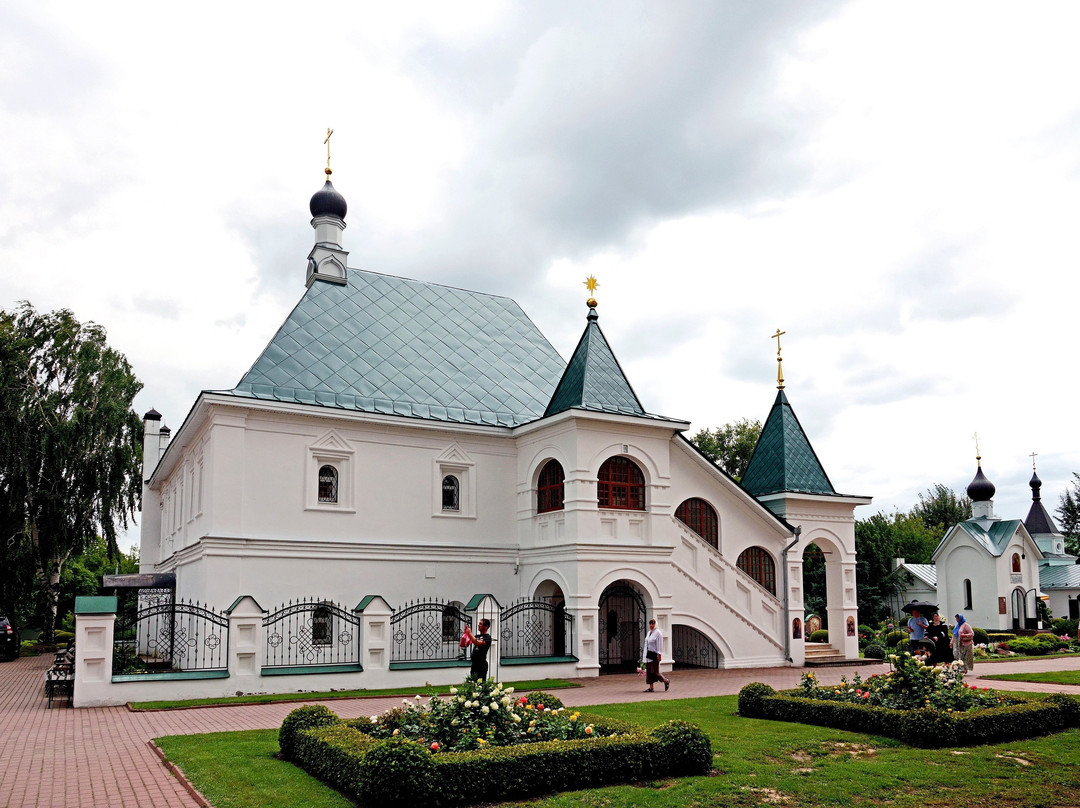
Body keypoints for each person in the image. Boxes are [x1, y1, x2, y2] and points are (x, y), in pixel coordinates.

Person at [641, 618, 670, 692]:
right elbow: (646, 644)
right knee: (649, 672)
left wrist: (659, 655)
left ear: (655, 624)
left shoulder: (658, 633)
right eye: (650, 623)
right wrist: (644, 657)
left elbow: (660, 644)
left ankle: (665, 680)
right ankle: (651, 687)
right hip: (648, 655)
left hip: (654, 655)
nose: (651, 625)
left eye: (653, 623)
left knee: (655, 672)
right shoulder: (649, 633)